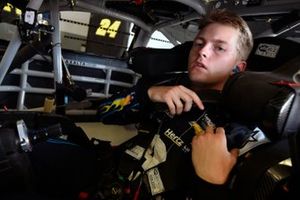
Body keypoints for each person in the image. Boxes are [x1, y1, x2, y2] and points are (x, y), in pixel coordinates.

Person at [97, 8, 253, 199]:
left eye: (219, 48)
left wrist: (211, 182)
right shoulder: (165, 84)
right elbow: (103, 112)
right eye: (199, 43)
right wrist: (148, 94)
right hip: (109, 181)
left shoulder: (237, 127)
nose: (202, 52)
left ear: (238, 67)